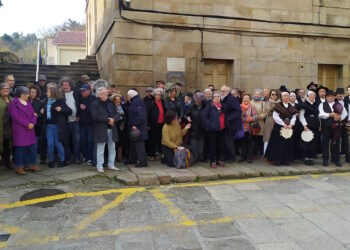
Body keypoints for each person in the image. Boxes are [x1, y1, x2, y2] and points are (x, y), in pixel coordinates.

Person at [8, 87, 39, 175]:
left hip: (30, 129)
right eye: (27, 93)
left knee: (33, 148)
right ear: (22, 94)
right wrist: (27, 124)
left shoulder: (28, 103)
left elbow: (33, 114)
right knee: (21, 149)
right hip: (20, 130)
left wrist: (33, 123)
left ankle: (32, 165)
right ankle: (19, 167)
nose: (29, 95)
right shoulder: (13, 104)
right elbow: (15, 117)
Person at [91, 87, 120, 173]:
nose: (106, 95)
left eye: (106, 93)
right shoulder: (95, 104)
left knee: (112, 148)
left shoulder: (110, 104)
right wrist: (108, 120)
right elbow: (95, 116)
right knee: (100, 148)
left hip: (112, 129)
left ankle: (111, 164)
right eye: (104, 93)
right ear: (99, 94)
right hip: (101, 129)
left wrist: (114, 120)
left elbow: (117, 114)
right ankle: (99, 166)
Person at [43, 84, 72, 168]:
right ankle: (51, 161)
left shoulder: (60, 101)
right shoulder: (45, 101)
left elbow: (69, 111)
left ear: (52, 92)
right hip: (48, 126)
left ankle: (62, 160)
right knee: (50, 144)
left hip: (58, 126)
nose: (46, 93)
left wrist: (61, 109)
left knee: (58, 143)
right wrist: (42, 112)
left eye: (48, 92)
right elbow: (44, 113)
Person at [265, 91, 298, 165]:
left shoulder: (291, 107)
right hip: (279, 127)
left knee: (287, 144)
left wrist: (291, 124)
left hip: (289, 127)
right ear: (282, 97)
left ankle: (286, 160)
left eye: (287, 96)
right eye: (284, 96)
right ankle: (277, 160)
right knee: (278, 144)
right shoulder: (277, 106)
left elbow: (294, 117)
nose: (286, 97)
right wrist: (283, 124)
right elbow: (275, 117)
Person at [319, 90, 347, 167]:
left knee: (336, 143)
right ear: (326, 97)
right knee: (325, 143)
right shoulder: (322, 105)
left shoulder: (338, 104)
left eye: (332, 96)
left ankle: (336, 159)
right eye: (328, 96)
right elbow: (321, 114)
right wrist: (330, 114)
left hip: (336, 127)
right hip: (326, 127)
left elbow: (345, 113)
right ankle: (325, 159)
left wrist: (340, 117)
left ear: (334, 97)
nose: (330, 98)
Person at [59, 77, 81, 164]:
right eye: (64, 85)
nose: (65, 86)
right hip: (65, 122)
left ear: (71, 85)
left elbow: (79, 105)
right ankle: (68, 158)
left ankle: (76, 157)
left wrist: (79, 115)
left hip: (75, 121)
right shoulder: (60, 95)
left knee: (76, 140)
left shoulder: (76, 93)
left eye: (67, 84)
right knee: (66, 141)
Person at [202, 91, 226, 169]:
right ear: (212, 98)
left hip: (221, 129)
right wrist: (210, 125)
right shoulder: (209, 106)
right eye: (215, 97)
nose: (217, 98)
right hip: (212, 130)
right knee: (213, 146)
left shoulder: (223, 106)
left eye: (218, 96)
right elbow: (204, 117)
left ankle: (219, 159)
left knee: (220, 145)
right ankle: (212, 161)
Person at [126, 89, 148, 167]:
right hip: (135, 126)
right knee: (133, 144)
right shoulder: (136, 101)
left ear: (130, 96)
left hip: (138, 127)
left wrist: (136, 124)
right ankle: (133, 159)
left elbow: (141, 115)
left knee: (139, 145)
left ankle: (142, 161)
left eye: (127, 96)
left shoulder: (137, 102)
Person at [220, 85, 242, 163]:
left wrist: (229, 118)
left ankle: (232, 157)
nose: (222, 92)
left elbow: (238, 110)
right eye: (221, 91)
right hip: (225, 124)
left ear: (227, 91)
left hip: (231, 124)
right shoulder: (224, 98)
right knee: (226, 141)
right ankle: (226, 156)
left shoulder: (231, 99)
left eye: (223, 91)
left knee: (229, 141)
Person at [299, 90, 320, 165]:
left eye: (314, 94)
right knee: (306, 141)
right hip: (307, 125)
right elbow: (301, 116)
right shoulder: (304, 104)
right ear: (308, 96)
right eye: (311, 94)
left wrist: (319, 125)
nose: (312, 96)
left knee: (313, 142)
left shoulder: (317, 104)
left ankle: (311, 157)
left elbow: (319, 115)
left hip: (315, 124)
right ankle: (306, 158)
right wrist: (305, 125)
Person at [78, 84, 96, 165]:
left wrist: (86, 108)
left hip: (91, 125)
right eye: (82, 91)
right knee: (82, 141)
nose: (83, 92)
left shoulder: (93, 98)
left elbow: (95, 111)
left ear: (89, 90)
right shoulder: (81, 98)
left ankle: (91, 158)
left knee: (90, 142)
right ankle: (86, 158)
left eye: (84, 90)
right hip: (82, 124)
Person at [147, 88, 167, 160]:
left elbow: (165, 111)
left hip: (162, 124)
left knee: (161, 139)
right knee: (153, 140)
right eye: (157, 95)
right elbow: (148, 114)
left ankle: (161, 154)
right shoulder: (151, 103)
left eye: (159, 95)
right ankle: (152, 155)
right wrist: (148, 124)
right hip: (154, 124)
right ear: (154, 95)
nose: (158, 96)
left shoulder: (163, 102)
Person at [186, 92, 205, 163]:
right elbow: (186, 115)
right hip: (194, 128)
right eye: (196, 100)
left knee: (201, 145)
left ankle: (200, 156)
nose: (197, 101)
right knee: (194, 145)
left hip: (202, 129)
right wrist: (187, 118)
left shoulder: (204, 106)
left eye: (199, 100)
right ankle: (195, 157)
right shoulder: (191, 107)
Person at [28, 85, 45, 163]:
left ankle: (34, 161)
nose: (32, 93)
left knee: (35, 145)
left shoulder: (39, 102)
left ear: (37, 93)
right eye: (31, 91)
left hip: (37, 126)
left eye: (34, 92)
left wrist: (37, 115)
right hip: (26, 125)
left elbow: (42, 114)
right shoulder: (25, 101)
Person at [240, 94, 257, 163]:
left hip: (250, 128)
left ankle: (250, 157)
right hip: (241, 128)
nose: (246, 99)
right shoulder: (239, 106)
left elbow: (255, 116)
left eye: (247, 98)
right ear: (242, 99)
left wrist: (248, 119)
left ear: (250, 99)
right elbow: (238, 116)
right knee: (242, 143)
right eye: (245, 98)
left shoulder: (252, 107)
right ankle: (243, 157)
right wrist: (247, 119)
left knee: (250, 143)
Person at [111, 93, 127, 162]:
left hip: (121, 127)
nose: (118, 101)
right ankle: (112, 157)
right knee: (114, 142)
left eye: (119, 99)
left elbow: (125, 114)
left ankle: (119, 156)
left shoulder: (122, 106)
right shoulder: (111, 107)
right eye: (116, 99)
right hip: (114, 126)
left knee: (120, 142)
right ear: (113, 100)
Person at [335, 88, 350, 163]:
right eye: (338, 94)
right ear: (336, 94)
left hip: (345, 123)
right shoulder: (334, 101)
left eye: (341, 94)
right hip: (336, 123)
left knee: (346, 141)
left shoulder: (346, 101)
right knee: (336, 141)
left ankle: (348, 157)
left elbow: (349, 111)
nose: (340, 95)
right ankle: (336, 157)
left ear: (343, 94)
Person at [0, 83, 13, 169]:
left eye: (7, 89)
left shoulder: (13, 99)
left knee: (7, 145)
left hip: (9, 127)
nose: (6, 90)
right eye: (4, 88)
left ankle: (7, 162)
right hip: (0, 125)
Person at [250, 89, 266, 157]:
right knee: (252, 137)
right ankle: (253, 152)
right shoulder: (250, 102)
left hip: (260, 122)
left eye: (258, 94)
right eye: (255, 94)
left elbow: (265, 112)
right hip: (252, 123)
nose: (256, 95)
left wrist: (260, 116)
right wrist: (252, 117)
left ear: (260, 95)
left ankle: (259, 151)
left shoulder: (263, 103)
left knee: (259, 138)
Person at [263, 89, 279, 155]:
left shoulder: (280, 103)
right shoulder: (266, 103)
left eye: (275, 94)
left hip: (278, 121)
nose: (274, 96)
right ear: (270, 95)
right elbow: (268, 111)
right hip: (269, 121)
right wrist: (273, 108)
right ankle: (265, 153)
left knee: (277, 138)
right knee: (267, 137)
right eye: (272, 94)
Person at [143, 87, 154, 156]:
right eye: (148, 91)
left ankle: (152, 152)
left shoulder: (154, 99)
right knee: (147, 138)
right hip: (147, 120)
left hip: (154, 121)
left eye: (151, 91)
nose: (149, 92)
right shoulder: (144, 100)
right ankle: (147, 152)